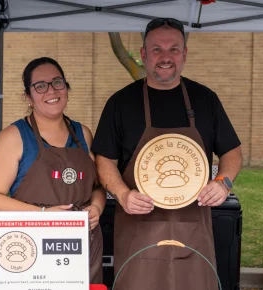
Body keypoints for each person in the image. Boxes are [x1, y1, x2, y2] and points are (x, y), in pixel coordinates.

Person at [91, 18, 242, 289]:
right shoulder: (121, 103)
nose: (165, 57)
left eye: (174, 49)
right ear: (143, 54)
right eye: (157, 49)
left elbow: (232, 151)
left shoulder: (206, 99)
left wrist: (223, 183)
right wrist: (123, 194)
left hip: (193, 227)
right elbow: (104, 159)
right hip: (139, 228)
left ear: (184, 55)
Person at [0, 57, 105, 288]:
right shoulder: (14, 137)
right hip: (30, 252)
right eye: (40, 86)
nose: (51, 90)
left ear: (66, 88)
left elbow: (97, 187)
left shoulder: (82, 134)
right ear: (28, 96)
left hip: (79, 250)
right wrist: (45, 214)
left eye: (57, 82)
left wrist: (96, 207)